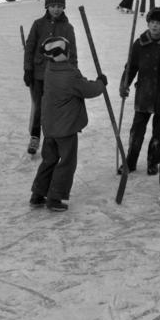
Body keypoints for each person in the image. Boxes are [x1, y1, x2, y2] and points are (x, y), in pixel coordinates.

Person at [29, 36, 106, 212]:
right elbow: (88, 90)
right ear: (65, 53)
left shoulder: (50, 70)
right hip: (65, 128)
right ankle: (55, 197)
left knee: (49, 159)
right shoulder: (69, 75)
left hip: (49, 126)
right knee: (67, 162)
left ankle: (38, 193)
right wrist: (101, 83)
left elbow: (76, 82)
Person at [119, 7, 160, 175]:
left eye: (159, 24)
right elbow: (131, 67)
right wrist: (125, 83)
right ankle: (130, 161)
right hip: (144, 96)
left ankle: (153, 162)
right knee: (136, 131)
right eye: (152, 22)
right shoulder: (139, 44)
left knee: (159, 134)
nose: (154, 27)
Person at [23, 0, 77, 155]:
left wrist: (73, 74)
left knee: (54, 108)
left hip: (59, 76)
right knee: (39, 106)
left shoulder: (68, 28)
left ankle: (51, 138)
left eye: (59, 6)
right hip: (39, 74)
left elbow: (72, 53)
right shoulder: (38, 24)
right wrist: (28, 69)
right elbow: (30, 48)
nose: (56, 9)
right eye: (53, 6)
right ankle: (34, 136)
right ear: (47, 6)